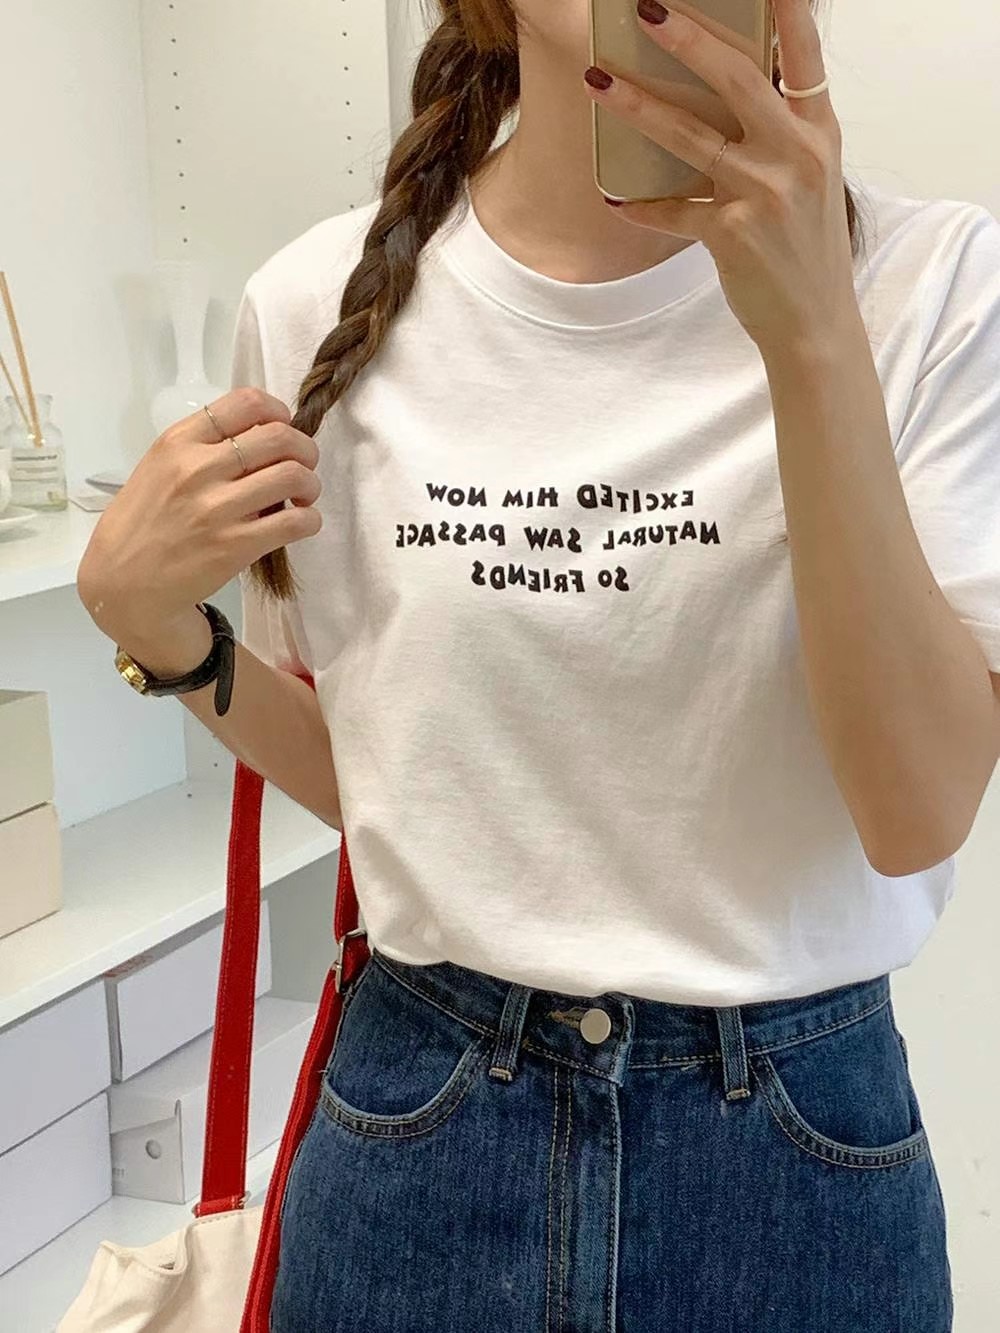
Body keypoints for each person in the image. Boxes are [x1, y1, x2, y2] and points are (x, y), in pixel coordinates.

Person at [78, 2, 1000, 1328]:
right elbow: (389, 782)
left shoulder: (933, 286)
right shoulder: (316, 304)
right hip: (422, 1129)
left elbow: (917, 813)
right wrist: (160, 634)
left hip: (793, 1167)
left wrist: (811, 336)